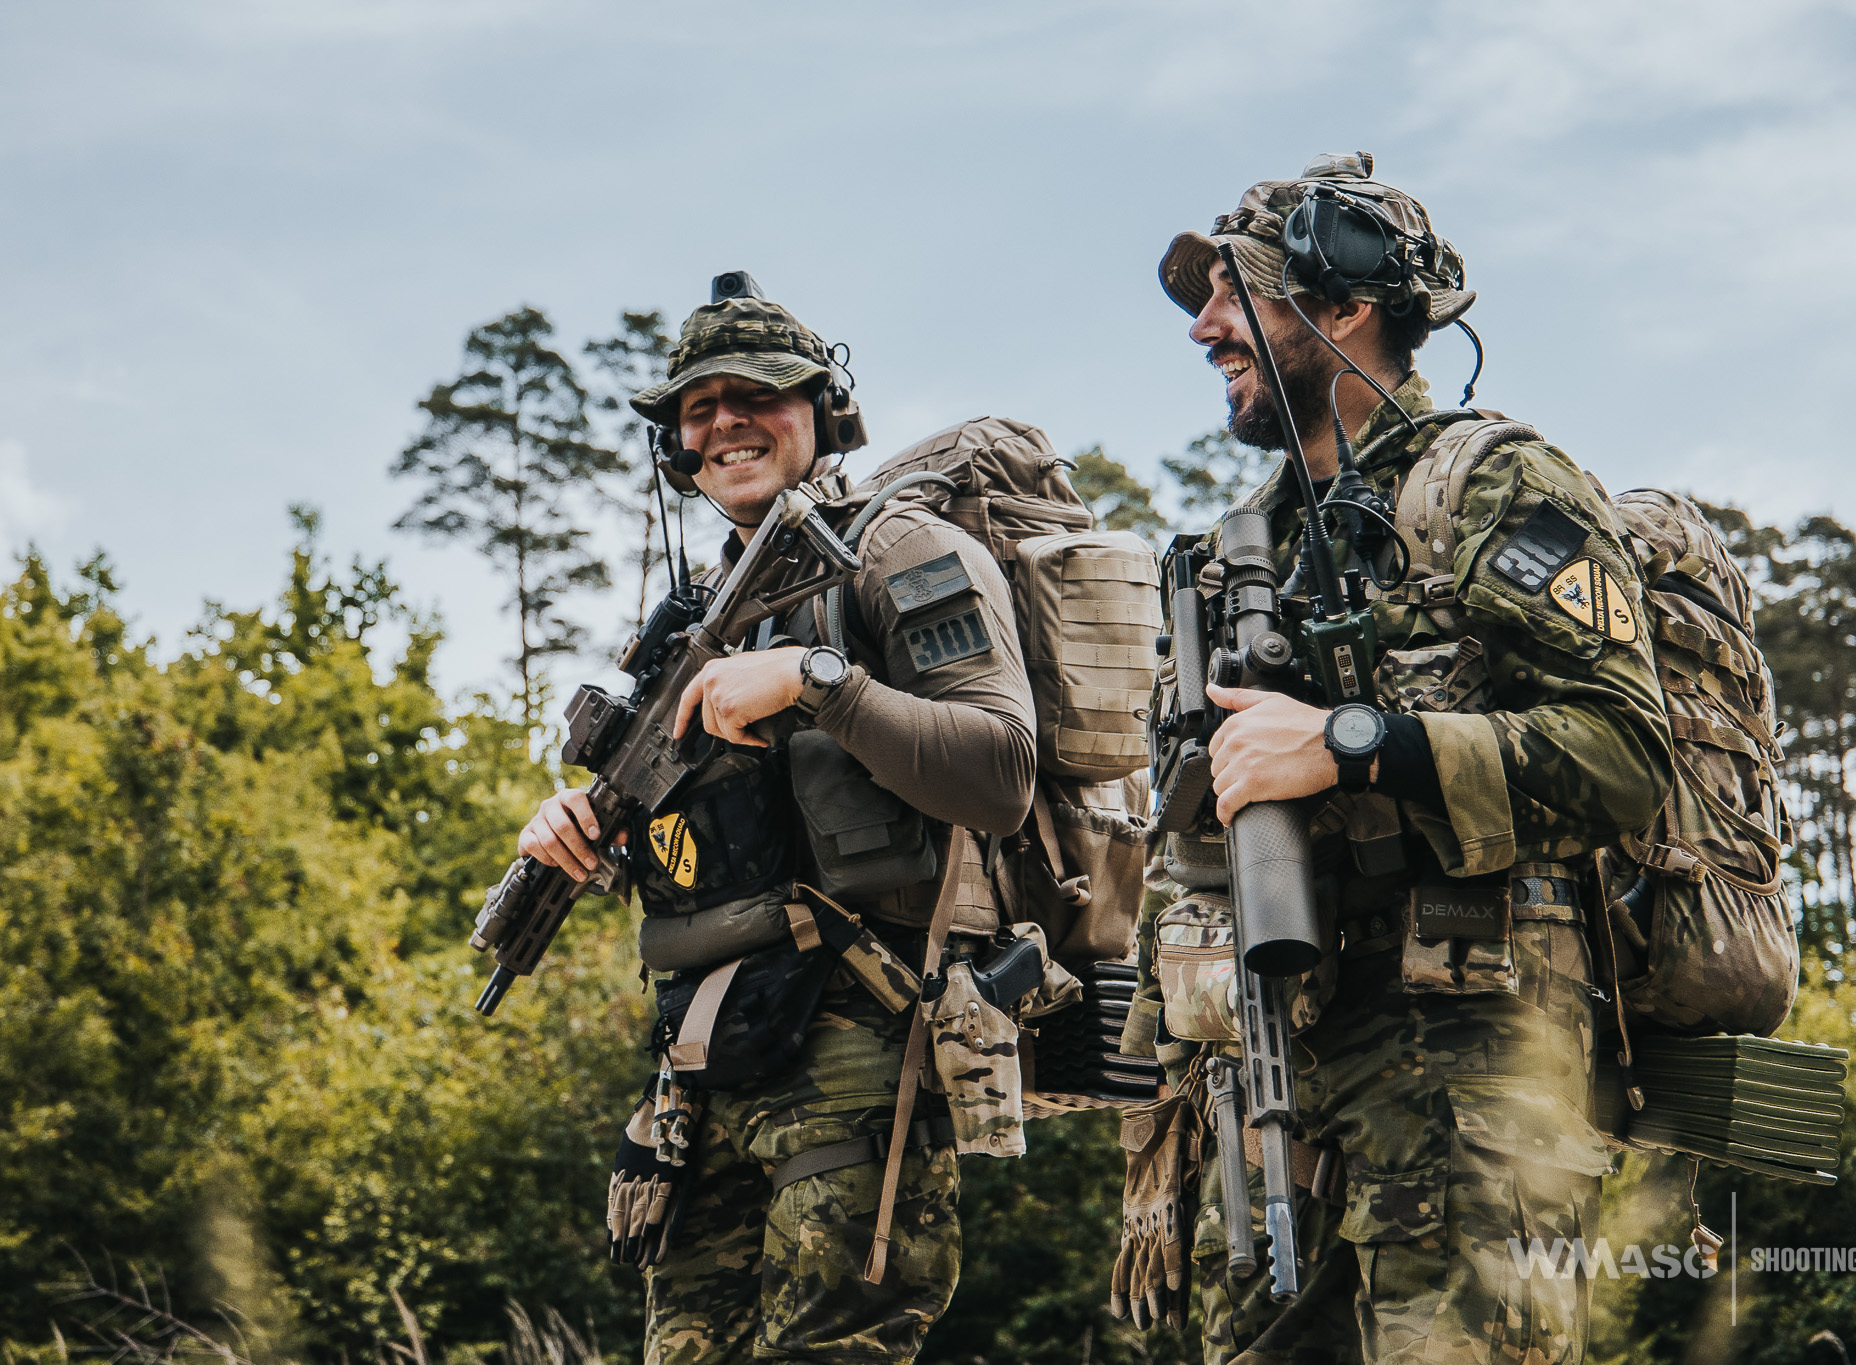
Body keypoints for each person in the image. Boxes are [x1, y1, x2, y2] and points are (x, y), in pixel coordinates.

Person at [1131, 153, 1674, 1363]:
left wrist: (1351, 746)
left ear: (1342, 308)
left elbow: (1627, 755)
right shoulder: (1237, 555)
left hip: (1468, 1080)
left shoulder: (1491, 489)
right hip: (1272, 1089)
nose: (1204, 329)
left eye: (1236, 295)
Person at [515, 278, 1037, 1365]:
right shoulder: (690, 620)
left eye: (755, 393)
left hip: (855, 1039)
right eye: (695, 408)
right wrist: (583, 830)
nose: (722, 422)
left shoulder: (900, 555)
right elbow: (708, 839)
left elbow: (998, 773)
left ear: (822, 413)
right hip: (701, 1063)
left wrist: (816, 681)